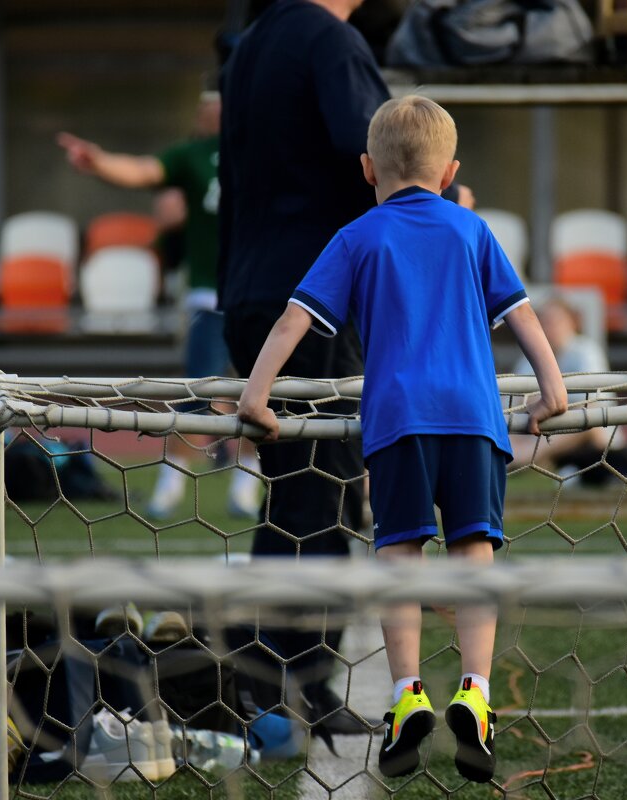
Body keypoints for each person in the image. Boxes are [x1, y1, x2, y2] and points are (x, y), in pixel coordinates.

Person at [237, 96, 566, 782]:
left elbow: (293, 321)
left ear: (366, 168)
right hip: (474, 416)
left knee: (401, 554)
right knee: (474, 550)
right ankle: (474, 695)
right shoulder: (472, 230)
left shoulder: (357, 236)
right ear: (449, 173)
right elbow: (525, 316)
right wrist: (553, 386)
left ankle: (406, 695)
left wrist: (256, 393)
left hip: (397, 420)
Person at [216, 0, 392, 735]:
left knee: (294, 492)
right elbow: (378, 155)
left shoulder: (254, 42)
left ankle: (252, 668)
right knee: (322, 490)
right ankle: (303, 681)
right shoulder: (331, 40)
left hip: (251, 294)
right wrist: (439, 202)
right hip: (311, 299)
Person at [58, 92, 261, 520]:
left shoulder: (263, 148)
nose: (213, 108)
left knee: (257, 393)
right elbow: (143, 170)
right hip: (210, 296)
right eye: (206, 103)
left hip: (258, 294)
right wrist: (100, 163)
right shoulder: (191, 157)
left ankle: (248, 479)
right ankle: (173, 480)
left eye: (221, 100)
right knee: (197, 394)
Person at [510, 296, 612, 472]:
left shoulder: (586, 351)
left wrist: (547, 402)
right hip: (543, 429)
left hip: (589, 436)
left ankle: (524, 459)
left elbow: (588, 406)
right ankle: (528, 458)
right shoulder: (529, 358)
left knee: (586, 419)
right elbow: (519, 404)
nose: (550, 327)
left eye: (555, 321)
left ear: (571, 323)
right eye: (544, 321)